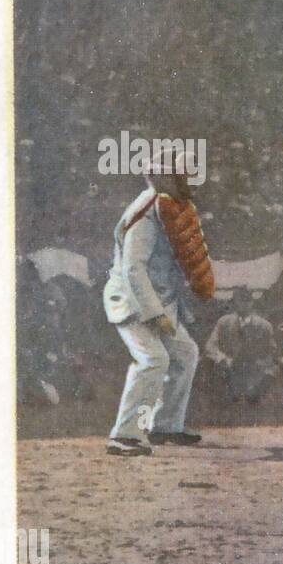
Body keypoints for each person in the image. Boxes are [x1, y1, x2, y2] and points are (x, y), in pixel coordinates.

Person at [102, 155, 214, 456]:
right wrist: (155, 314)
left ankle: (165, 425)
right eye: (182, 177)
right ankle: (125, 435)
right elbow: (133, 270)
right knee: (153, 360)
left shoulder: (169, 207)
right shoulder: (146, 212)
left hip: (161, 300)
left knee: (186, 353)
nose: (188, 183)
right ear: (164, 179)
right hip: (131, 301)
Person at [205, 287, 279, 404]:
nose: (244, 304)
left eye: (247, 300)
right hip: (230, 368)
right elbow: (210, 346)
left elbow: (272, 350)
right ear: (234, 303)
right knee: (229, 399)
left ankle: (253, 396)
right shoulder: (223, 322)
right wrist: (222, 358)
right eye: (240, 300)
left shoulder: (264, 325)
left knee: (255, 395)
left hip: (255, 369)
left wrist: (262, 362)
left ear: (252, 302)